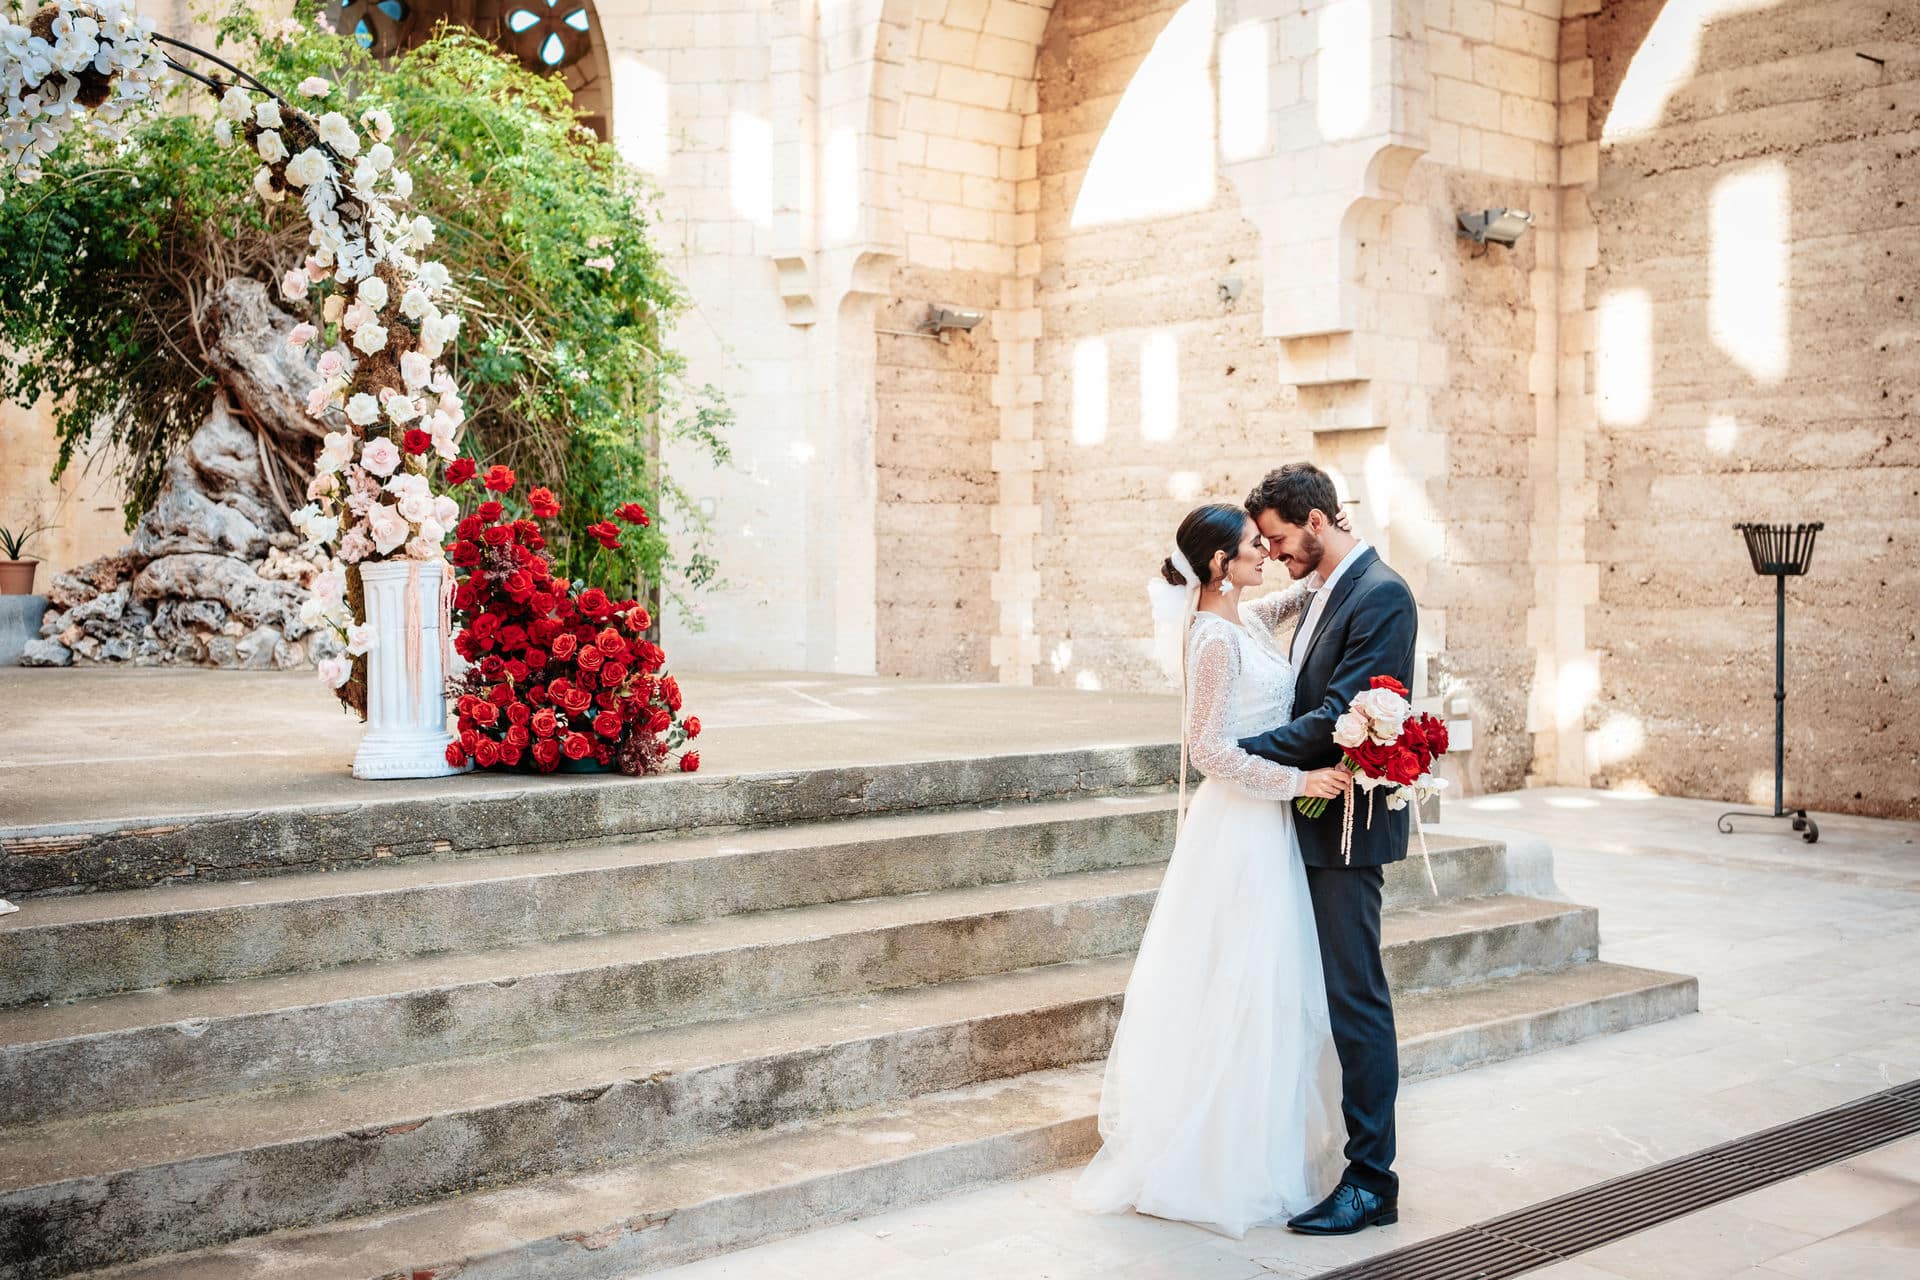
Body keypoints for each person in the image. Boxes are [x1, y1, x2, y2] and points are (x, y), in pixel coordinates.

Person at [1074, 501, 1352, 1237]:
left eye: (1268, 544)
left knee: (1269, 987)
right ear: (1218, 566)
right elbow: (1210, 753)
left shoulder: (1247, 619)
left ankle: (1259, 1139)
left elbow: (1305, 590)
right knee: (1240, 983)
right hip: (1240, 830)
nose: (1266, 553)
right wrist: (1300, 783)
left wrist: (1339, 543)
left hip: (1267, 830)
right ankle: (1213, 1158)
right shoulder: (1212, 643)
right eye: (1252, 548)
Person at [1238, 462, 1418, 1235]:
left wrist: (1234, 751)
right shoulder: (1321, 589)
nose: (1275, 557)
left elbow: (1340, 713)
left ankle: (1372, 1181)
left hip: (1346, 827)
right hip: (1305, 815)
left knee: (1356, 1000)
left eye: (1279, 541)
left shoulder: (1382, 594)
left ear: (1317, 521)